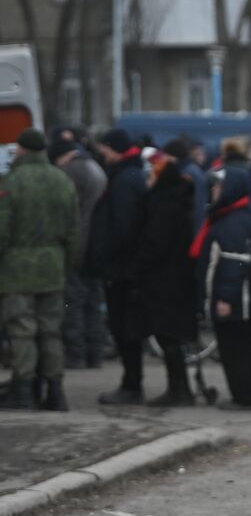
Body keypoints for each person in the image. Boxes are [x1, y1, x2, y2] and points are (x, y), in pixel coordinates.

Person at [0, 129, 81, 410]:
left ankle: (23, 390)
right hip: (53, 267)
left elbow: (3, 229)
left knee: (22, 330)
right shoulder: (62, 180)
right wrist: (66, 265)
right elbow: (73, 232)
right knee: (50, 331)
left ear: (22, 150)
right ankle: (56, 392)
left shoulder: (12, 181)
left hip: (17, 270)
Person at [192, 166, 251, 410]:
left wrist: (225, 298)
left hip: (236, 300)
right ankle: (245, 394)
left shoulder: (233, 220)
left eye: (219, 186)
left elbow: (235, 262)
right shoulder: (236, 215)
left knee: (236, 349)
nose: (214, 190)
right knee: (238, 347)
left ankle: (244, 397)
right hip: (241, 298)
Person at [129, 146, 199, 407]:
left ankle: (178, 390)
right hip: (177, 278)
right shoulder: (178, 200)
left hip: (164, 280)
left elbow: (154, 244)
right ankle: (180, 389)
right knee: (171, 336)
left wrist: (137, 266)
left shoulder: (164, 205)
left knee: (167, 335)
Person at [89, 129, 154, 405]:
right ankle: (131, 384)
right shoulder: (129, 175)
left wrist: (107, 255)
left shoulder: (124, 179)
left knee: (125, 329)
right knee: (126, 329)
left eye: (104, 148)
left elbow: (123, 227)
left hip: (122, 270)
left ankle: (131, 386)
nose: (101, 153)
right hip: (126, 268)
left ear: (114, 149)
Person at [49, 134, 108, 370]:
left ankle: (77, 354)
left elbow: (65, 212)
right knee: (94, 300)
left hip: (78, 246)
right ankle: (96, 351)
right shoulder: (94, 167)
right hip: (96, 245)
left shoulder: (70, 172)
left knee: (73, 301)